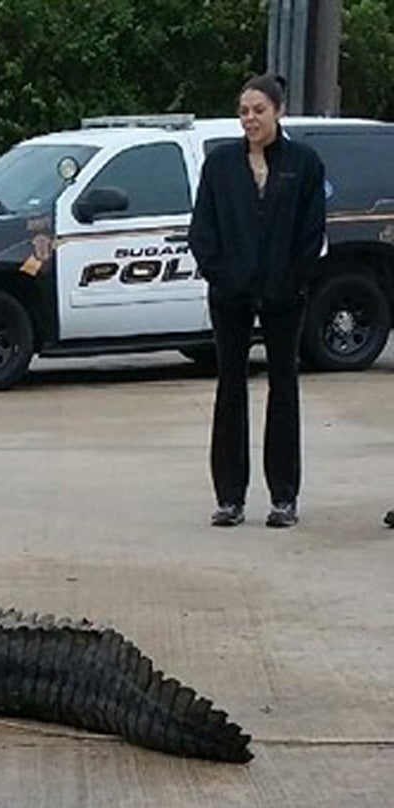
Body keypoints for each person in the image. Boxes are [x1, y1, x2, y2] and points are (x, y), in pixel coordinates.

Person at [189, 73, 327, 529]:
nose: (250, 118)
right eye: (244, 111)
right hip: (231, 295)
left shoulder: (304, 163)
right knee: (231, 386)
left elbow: (311, 234)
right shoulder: (220, 164)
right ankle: (230, 498)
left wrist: (292, 282)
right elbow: (202, 231)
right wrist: (224, 276)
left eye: (259, 110)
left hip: (284, 296)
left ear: (279, 112)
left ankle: (283, 498)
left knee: (283, 386)